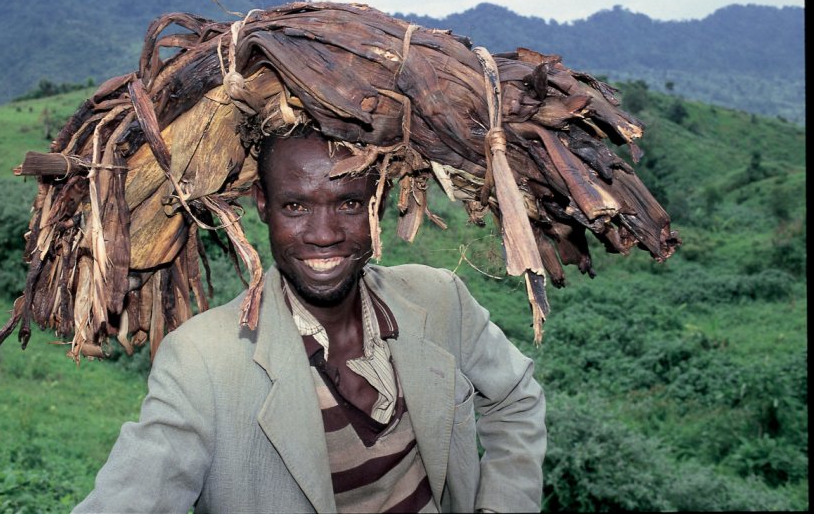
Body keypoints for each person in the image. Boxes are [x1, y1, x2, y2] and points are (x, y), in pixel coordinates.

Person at [73, 126, 546, 513]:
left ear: (376, 204)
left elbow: (515, 399)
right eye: (295, 206)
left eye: (348, 204)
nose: (324, 235)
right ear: (263, 205)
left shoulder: (438, 298)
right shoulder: (202, 360)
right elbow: (135, 494)